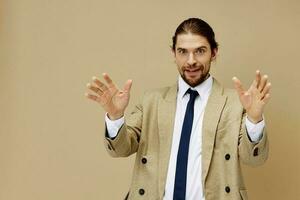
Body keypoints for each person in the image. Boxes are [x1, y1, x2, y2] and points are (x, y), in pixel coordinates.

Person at [85, 18, 271, 200]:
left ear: (214, 53)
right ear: (174, 53)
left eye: (200, 51)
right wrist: (116, 116)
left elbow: (254, 159)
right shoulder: (152, 101)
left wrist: (254, 119)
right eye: (183, 51)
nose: (191, 61)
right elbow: (120, 150)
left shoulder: (235, 103)